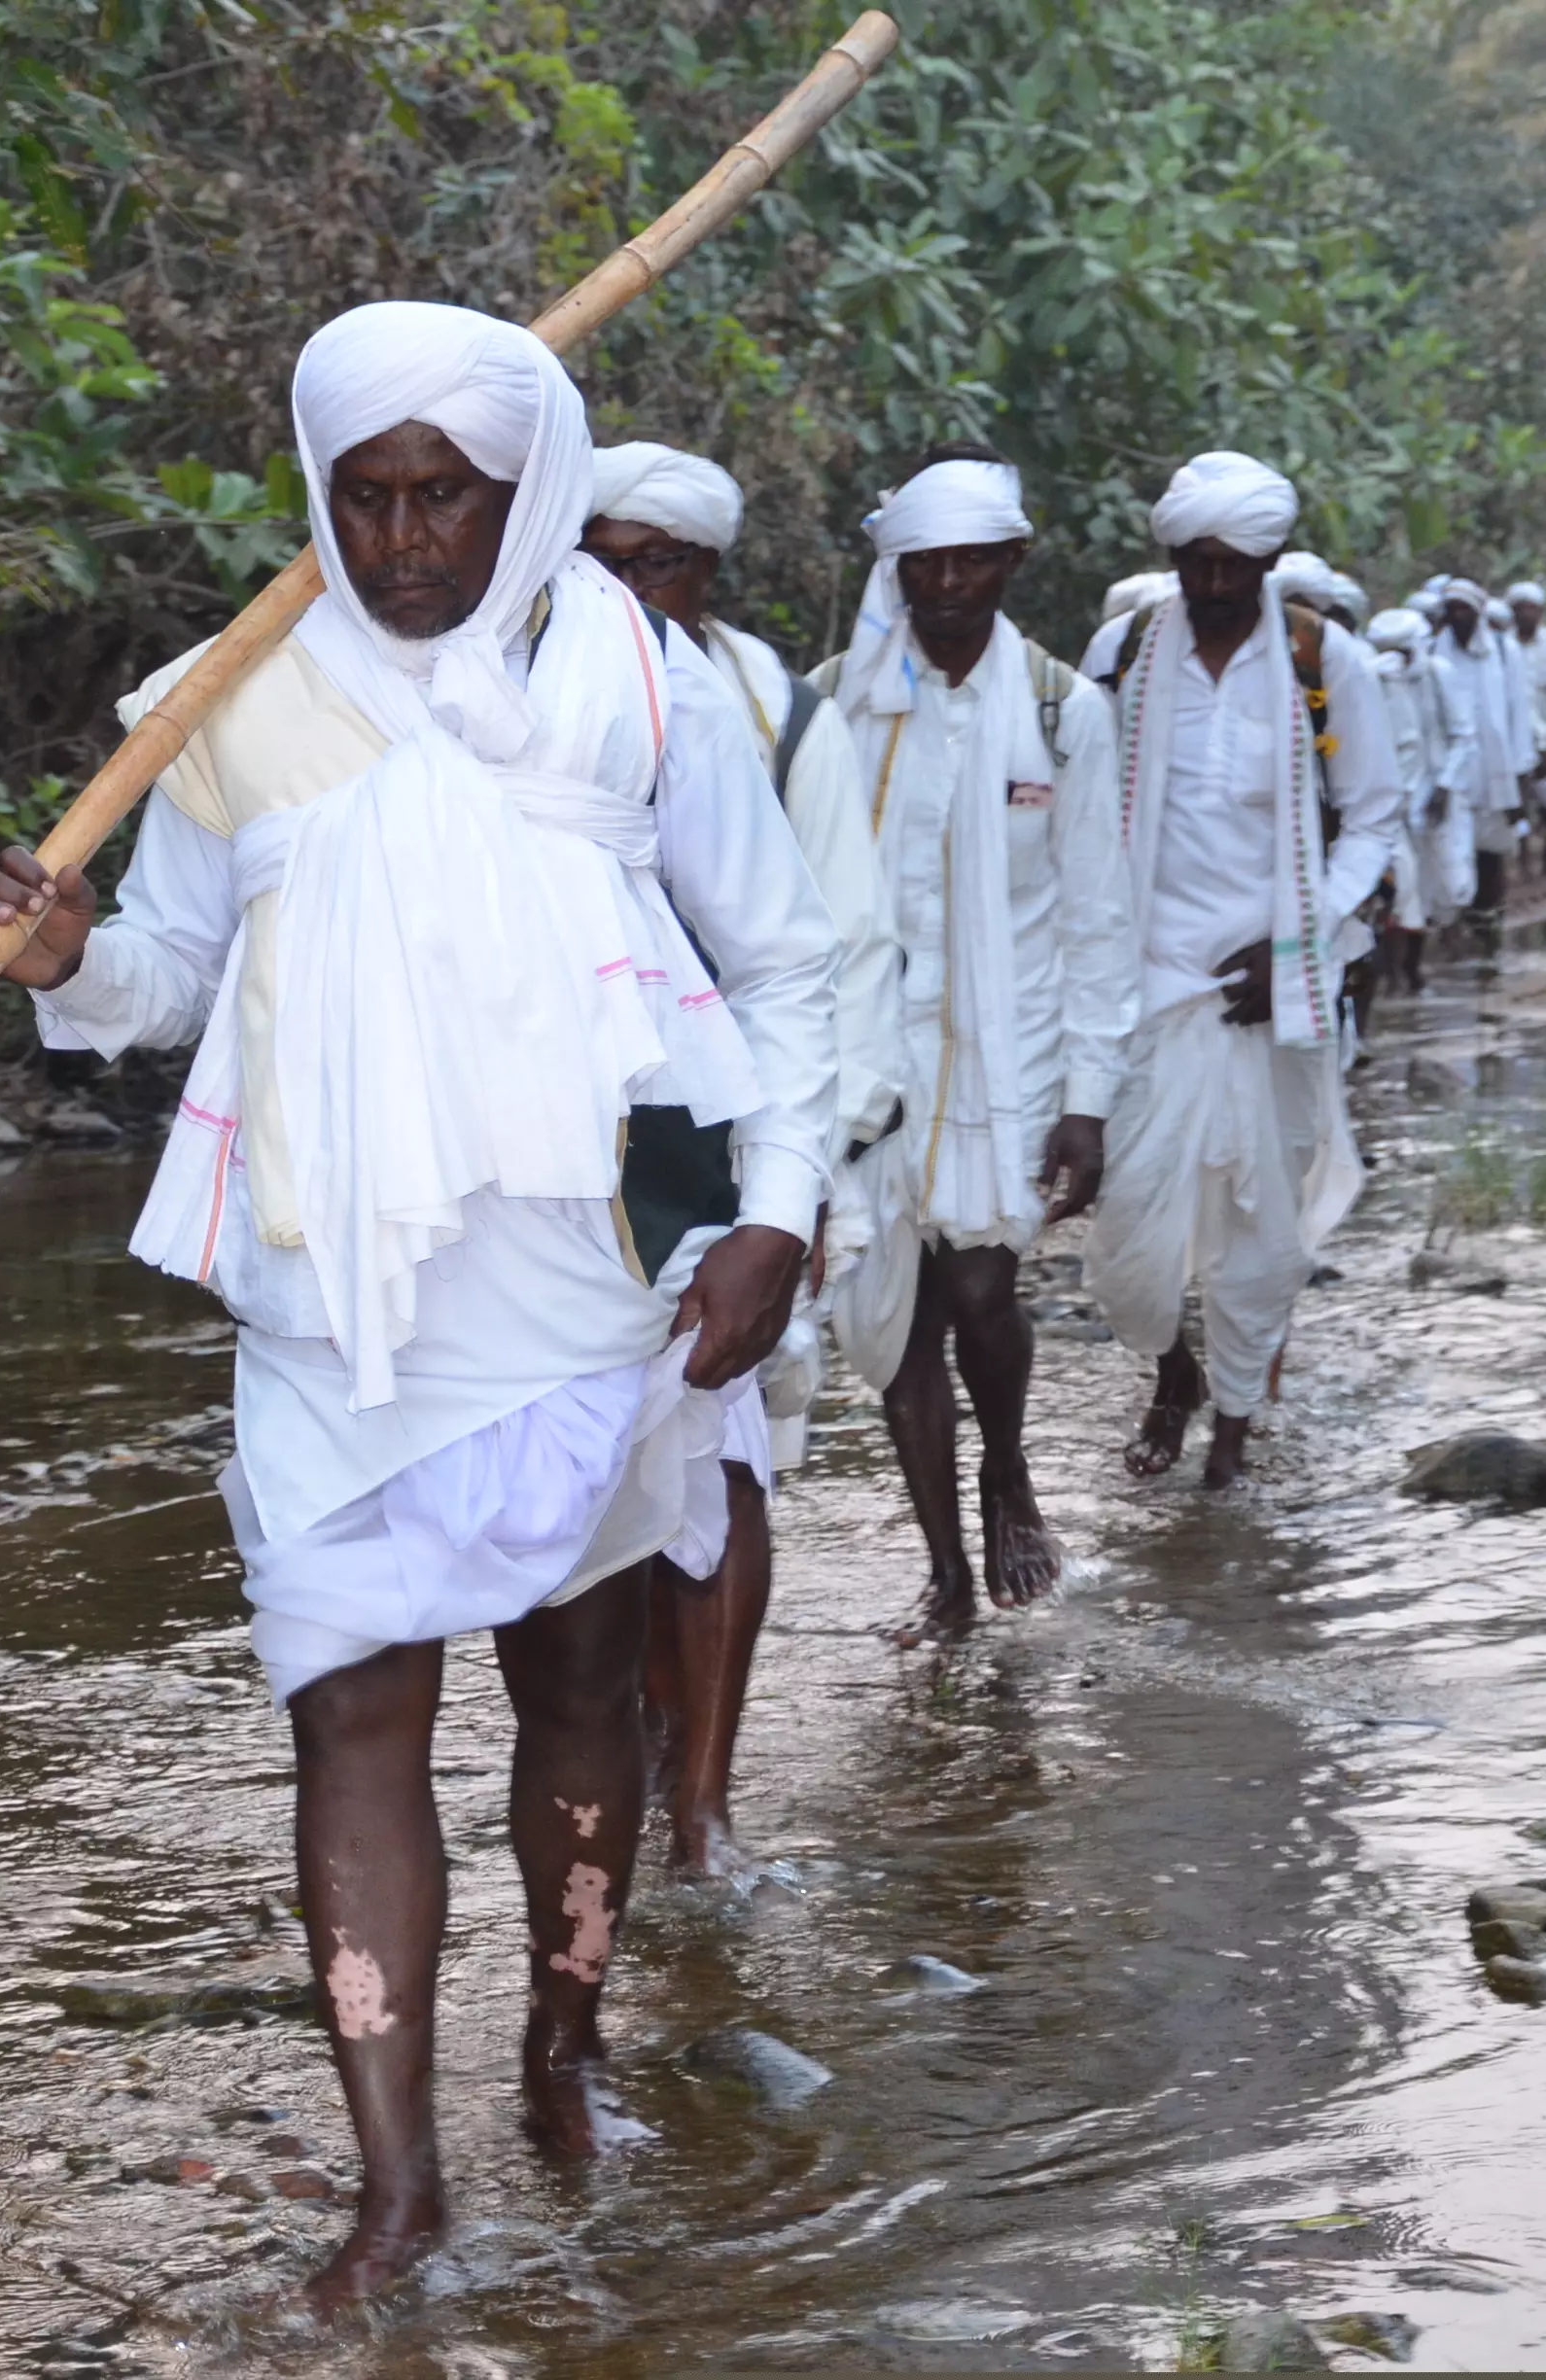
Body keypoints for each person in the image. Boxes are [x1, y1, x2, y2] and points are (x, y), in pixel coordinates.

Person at [0, 303, 838, 2305]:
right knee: (347, 1707)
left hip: (592, 1278)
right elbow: (166, 987)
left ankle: (563, 2038)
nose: (407, 533)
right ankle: (397, 2187)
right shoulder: (221, 704)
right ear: (317, 492)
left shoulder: (632, 673)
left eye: (448, 493)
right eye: (365, 494)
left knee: (582, 1691)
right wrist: (65, 960)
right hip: (330, 1295)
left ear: (524, 499)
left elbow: (786, 961)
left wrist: (779, 1209)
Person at [579, 438, 910, 1878]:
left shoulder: (774, 711)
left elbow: (834, 941)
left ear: (705, 573)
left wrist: (808, 1178)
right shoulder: (538, 683)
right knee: (601, 1451)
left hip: (744, 1134)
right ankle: (626, 1747)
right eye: (607, 552)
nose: (629, 582)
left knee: (735, 1454)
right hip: (588, 1129)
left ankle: (703, 1790)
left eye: (659, 560)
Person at [816, 445, 1132, 1642]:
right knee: (895, 1319)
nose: (946, 583)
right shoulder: (839, 698)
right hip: (871, 1057)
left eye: (970, 561)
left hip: (1014, 1060)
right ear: (896, 567)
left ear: (1011, 561)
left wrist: (1090, 1101)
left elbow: (1101, 917)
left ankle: (1008, 1470)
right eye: (922, 563)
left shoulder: (1063, 710)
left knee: (983, 1288)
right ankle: (947, 1569)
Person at [1083, 454, 1399, 1490]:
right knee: (1129, 1232)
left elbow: (1373, 820)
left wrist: (1300, 943)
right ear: (1171, 557)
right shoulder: (1125, 651)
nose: (1214, 585)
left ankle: (1230, 1427)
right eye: (1196, 564)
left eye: (1234, 566)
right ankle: (1172, 1367)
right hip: (1145, 980)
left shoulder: (1326, 660)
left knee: (1262, 1222)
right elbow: (1083, 814)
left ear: (1266, 562)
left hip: (1277, 991)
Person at [1366, 603, 1467, 994]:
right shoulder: (1373, 680)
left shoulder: (1437, 676)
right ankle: (1394, 972)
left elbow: (1462, 733)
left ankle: (1412, 967)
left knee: (1430, 885)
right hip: (1387, 802)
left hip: (1432, 795)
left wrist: (1444, 786)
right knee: (1398, 885)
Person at [1433, 577, 1530, 936]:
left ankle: (1488, 924)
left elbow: (1518, 713)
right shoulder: (1433, 653)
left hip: (1495, 770)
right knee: (1454, 852)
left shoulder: (1504, 651)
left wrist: (1521, 776)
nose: (1458, 616)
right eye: (1452, 609)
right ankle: (1457, 924)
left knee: (1491, 851)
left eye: (1465, 609)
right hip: (1453, 772)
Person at [1505, 579, 1546, 877]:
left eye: (1532, 609)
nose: (1526, 615)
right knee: (1518, 796)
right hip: (1516, 733)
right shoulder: (1503, 645)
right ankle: (1523, 856)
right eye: (1521, 609)